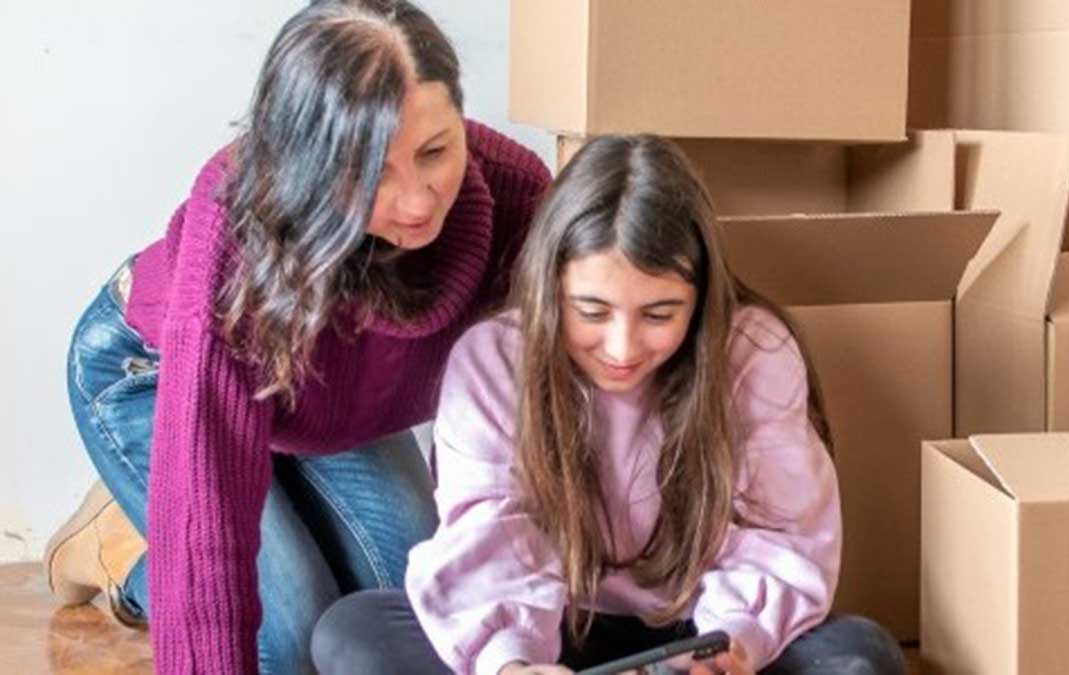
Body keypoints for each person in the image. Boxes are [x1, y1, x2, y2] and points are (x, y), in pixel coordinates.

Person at [45, 1, 550, 672]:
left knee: (418, 606)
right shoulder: (234, 231)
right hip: (153, 370)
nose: (419, 201)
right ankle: (116, 550)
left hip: (326, 405)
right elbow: (207, 524)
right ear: (307, 159)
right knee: (288, 631)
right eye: (372, 173)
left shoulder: (521, 201)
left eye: (436, 151)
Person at [310, 135, 906, 674]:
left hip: (697, 632)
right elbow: (489, 531)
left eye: (659, 314)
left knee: (859, 655)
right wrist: (511, 663)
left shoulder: (753, 351)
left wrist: (733, 644)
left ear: (700, 301)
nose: (621, 349)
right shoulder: (494, 358)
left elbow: (780, 534)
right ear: (550, 288)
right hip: (555, 626)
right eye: (591, 312)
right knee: (354, 633)